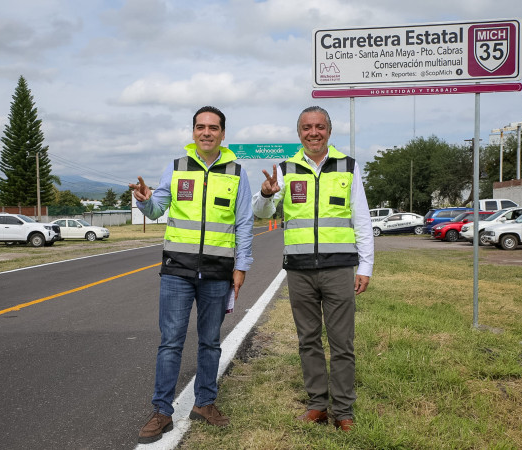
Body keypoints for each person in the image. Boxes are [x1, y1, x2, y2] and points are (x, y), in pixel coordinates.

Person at [130, 106, 254, 444]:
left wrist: (241, 266)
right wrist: (143, 201)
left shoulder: (237, 173)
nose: (206, 133)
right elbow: (156, 208)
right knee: (170, 341)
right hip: (177, 271)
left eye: (213, 128)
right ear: (193, 132)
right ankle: (161, 411)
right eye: (200, 127)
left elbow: (244, 223)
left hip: (218, 272)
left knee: (210, 342)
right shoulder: (175, 168)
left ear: (223, 134)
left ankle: (205, 403)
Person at [252, 106, 373, 431]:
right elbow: (263, 212)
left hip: (339, 268)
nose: (313, 132)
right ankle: (318, 405)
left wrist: (366, 265)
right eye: (307, 127)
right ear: (299, 132)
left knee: (342, 343)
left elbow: (361, 218)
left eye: (319, 127)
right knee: (308, 340)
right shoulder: (286, 168)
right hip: (300, 269)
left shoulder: (348, 166)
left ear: (329, 131)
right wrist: (265, 195)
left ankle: (343, 411)